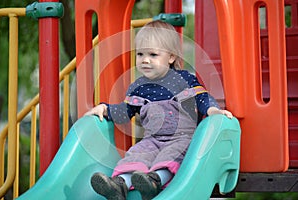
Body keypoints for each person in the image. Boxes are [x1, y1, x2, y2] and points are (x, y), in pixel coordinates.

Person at [85, 20, 233, 200]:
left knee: (172, 155)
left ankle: (155, 181)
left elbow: (202, 98)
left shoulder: (184, 79)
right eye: (140, 54)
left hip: (182, 138)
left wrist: (213, 111)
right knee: (137, 154)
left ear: (170, 57)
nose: (145, 60)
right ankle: (119, 185)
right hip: (152, 139)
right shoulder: (138, 88)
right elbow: (125, 112)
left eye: (153, 54)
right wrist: (105, 109)